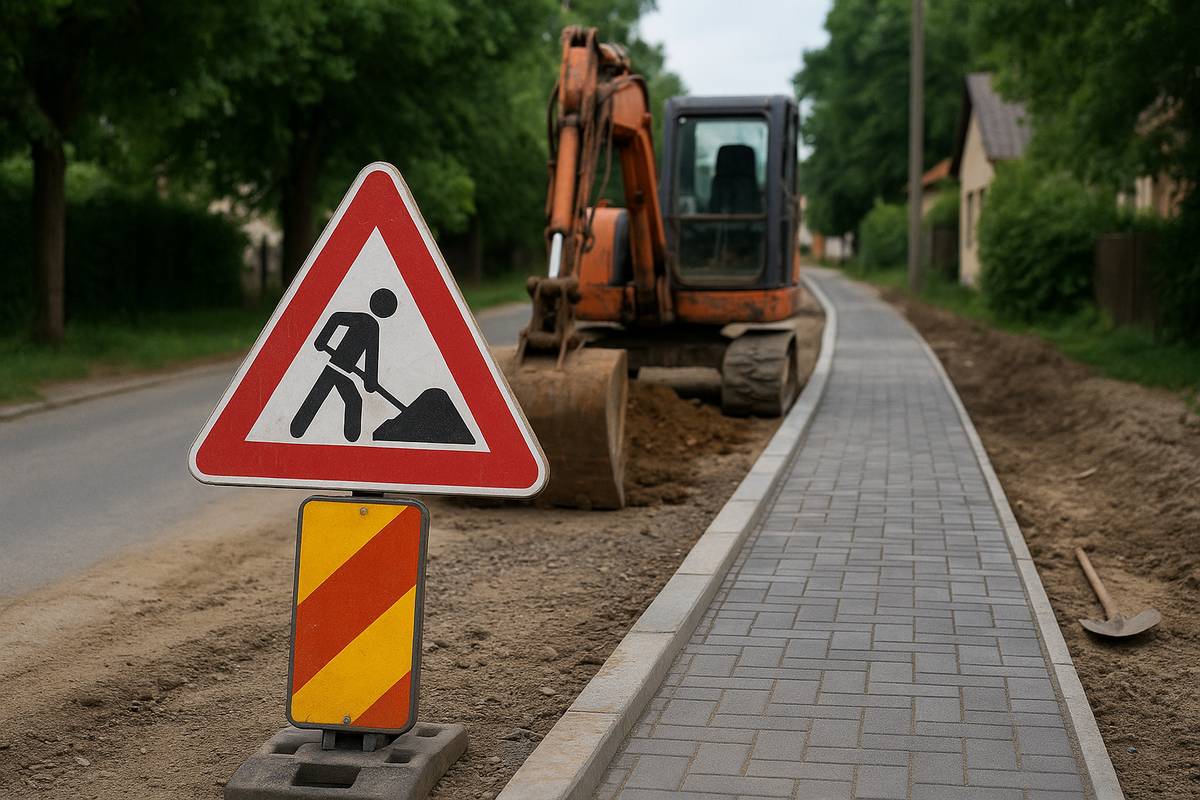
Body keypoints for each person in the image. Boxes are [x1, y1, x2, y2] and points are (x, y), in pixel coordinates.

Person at [290, 287, 398, 441]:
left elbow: (370, 357)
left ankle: (298, 431)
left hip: (338, 371)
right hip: (337, 368)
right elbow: (337, 318)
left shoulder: (368, 323)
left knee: (329, 397)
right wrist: (321, 340)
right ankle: (298, 430)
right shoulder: (370, 324)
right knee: (333, 398)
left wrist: (370, 381)